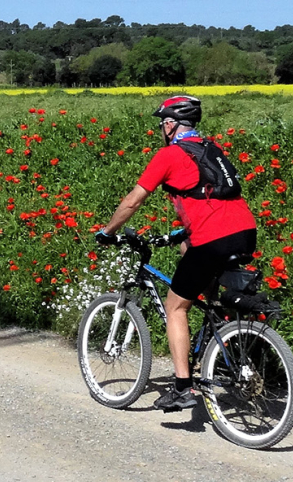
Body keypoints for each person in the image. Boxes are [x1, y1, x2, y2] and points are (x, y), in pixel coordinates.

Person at [95, 95, 257, 411]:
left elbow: (133, 201)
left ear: (170, 125)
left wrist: (108, 231)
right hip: (245, 232)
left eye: (162, 123)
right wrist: (183, 233)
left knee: (176, 307)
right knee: (190, 255)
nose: (161, 129)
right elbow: (211, 197)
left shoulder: (169, 154)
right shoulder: (211, 149)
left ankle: (183, 387)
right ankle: (219, 338)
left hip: (213, 238)